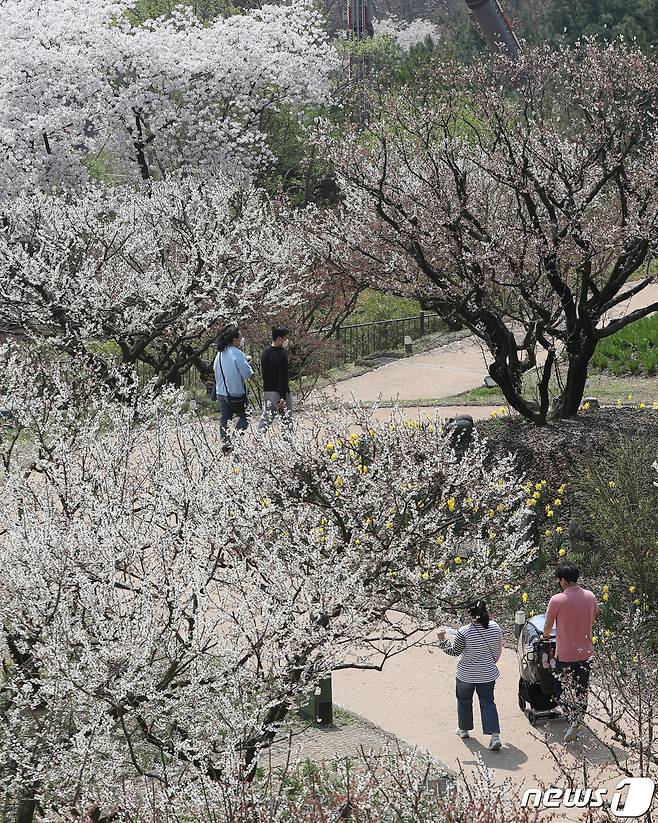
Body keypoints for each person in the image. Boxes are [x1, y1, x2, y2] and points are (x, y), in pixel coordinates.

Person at [541, 562, 598, 743]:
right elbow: (593, 619)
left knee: (561, 688)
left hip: (565, 653)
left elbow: (548, 625)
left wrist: (545, 636)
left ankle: (572, 719)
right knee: (582, 688)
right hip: (586, 652)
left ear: (563, 580)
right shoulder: (590, 596)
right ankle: (578, 718)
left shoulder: (557, 599)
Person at [437, 600, 503, 751]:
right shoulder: (495, 627)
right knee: (488, 702)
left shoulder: (464, 631)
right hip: (487, 673)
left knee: (464, 700)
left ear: (469, 614)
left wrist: (441, 640)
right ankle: (495, 736)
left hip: (466, 674)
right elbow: (498, 647)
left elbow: (454, 651)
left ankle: (464, 729)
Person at [213, 325, 254, 452]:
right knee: (246, 415)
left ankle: (226, 444)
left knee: (225, 419)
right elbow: (247, 374)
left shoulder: (219, 354)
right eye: (240, 337)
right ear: (234, 339)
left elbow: (215, 369)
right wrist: (249, 365)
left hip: (221, 392)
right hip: (235, 393)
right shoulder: (237, 353)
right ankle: (236, 439)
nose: (242, 339)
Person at [257, 324, 293, 434]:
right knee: (286, 417)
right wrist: (282, 397)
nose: (286, 340)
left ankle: (258, 438)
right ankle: (288, 443)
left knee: (267, 416)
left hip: (268, 391)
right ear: (279, 338)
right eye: (285, 338)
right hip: (279, 393)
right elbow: (282, 377)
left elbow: (265, 374)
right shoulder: (282, 354)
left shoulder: (265, 353)